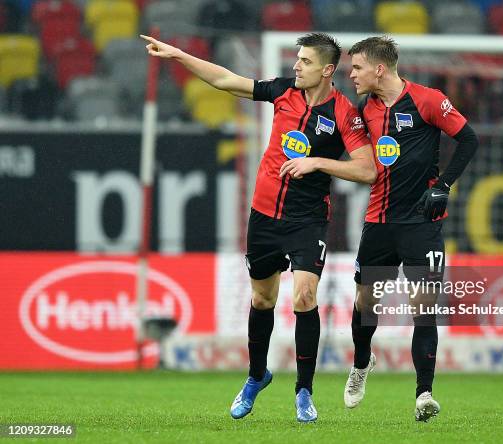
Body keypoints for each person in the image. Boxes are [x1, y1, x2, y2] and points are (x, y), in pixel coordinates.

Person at [141, 32, 376, 423]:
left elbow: (367, 169)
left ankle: (304, 390)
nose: (296, 66)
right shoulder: (283, 92)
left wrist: (318, 163)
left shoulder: (344, 113)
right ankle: (256, 376)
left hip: (308, 220)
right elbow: (225, 80)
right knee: (263, 300)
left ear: (327, 70)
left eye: (305, 61)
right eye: (296, 59)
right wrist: (180, 54)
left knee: (304, 297)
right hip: (264, 216)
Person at [344, 36, 479, 422]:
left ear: (379, 69)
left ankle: (424, 393)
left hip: (423, 224)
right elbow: (358, 159)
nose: (351, 74)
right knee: (367, 304)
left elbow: (468, 139)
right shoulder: (362, 109)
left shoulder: (428, 100)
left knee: (425, 309)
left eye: (357, 67)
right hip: (379, 222)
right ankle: (360, 363)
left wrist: (443, 186)